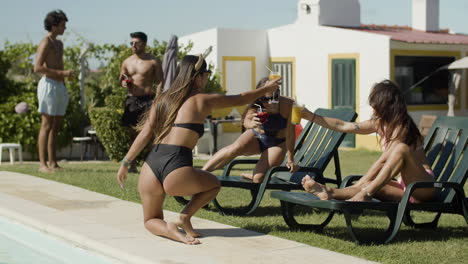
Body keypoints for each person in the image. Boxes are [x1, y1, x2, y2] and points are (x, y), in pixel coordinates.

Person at [116, 55, 280, 245]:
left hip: (151, 165)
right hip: (176, 165)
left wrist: (126, 162)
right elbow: (241, 98)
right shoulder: (202, 100)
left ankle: (170, 230)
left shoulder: (162, 99)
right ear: (199, 76)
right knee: (213, 184)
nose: (207, 79)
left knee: (150, 220)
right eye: (207, 75)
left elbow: (145, 134)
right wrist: (266, 89)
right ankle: (184, 217)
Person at [300, 80, 435, 203]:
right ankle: (329, 192)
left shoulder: (403, 128)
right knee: (367, 185)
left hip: (422, 187)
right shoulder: (380, 124)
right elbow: (344, 126)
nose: (373, 109)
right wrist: (311, 116)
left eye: (376, 105)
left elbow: (383, 161)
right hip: (403, 186)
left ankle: (365, 193)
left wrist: (361, 184)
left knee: (401, 149)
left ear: (386, 106)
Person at [202, 77, 298, 183]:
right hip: (257, 137)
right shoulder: (257, 103)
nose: (270, 102)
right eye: (266, 99)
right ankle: (201, 173)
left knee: (258, 179)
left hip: (277, 143)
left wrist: (290, 160)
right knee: (235, 148)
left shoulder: (288, 105)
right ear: (260, 97)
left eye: (274, 97)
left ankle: (254, 176)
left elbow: (290, 135)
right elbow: (246, 121)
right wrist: (251, 123)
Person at [34, 10, 74, 173]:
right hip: (48, 85)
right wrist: (62, 74)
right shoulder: (46, 42)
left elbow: (59, 66)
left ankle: (53, 162)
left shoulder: (59, 44)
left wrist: (64, 80)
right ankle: (42, 164)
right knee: (46, 124)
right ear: (54, 25)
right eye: (63, 25)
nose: (65, 28)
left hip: (59, 86)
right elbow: (37, 68)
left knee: (56, 126)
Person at [119, 31, 164, 172]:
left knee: (150, 133)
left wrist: (157, 98)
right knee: (132, 133)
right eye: (131, 43)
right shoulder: (127, 61)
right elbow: (121, 78)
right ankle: (131, 165)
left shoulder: (153, 61)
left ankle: (150, 165)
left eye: (136, 43)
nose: (133, 45)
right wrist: (124, 83)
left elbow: (161, 82)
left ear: (144, 44)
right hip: (132, 99)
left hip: (148, 100)